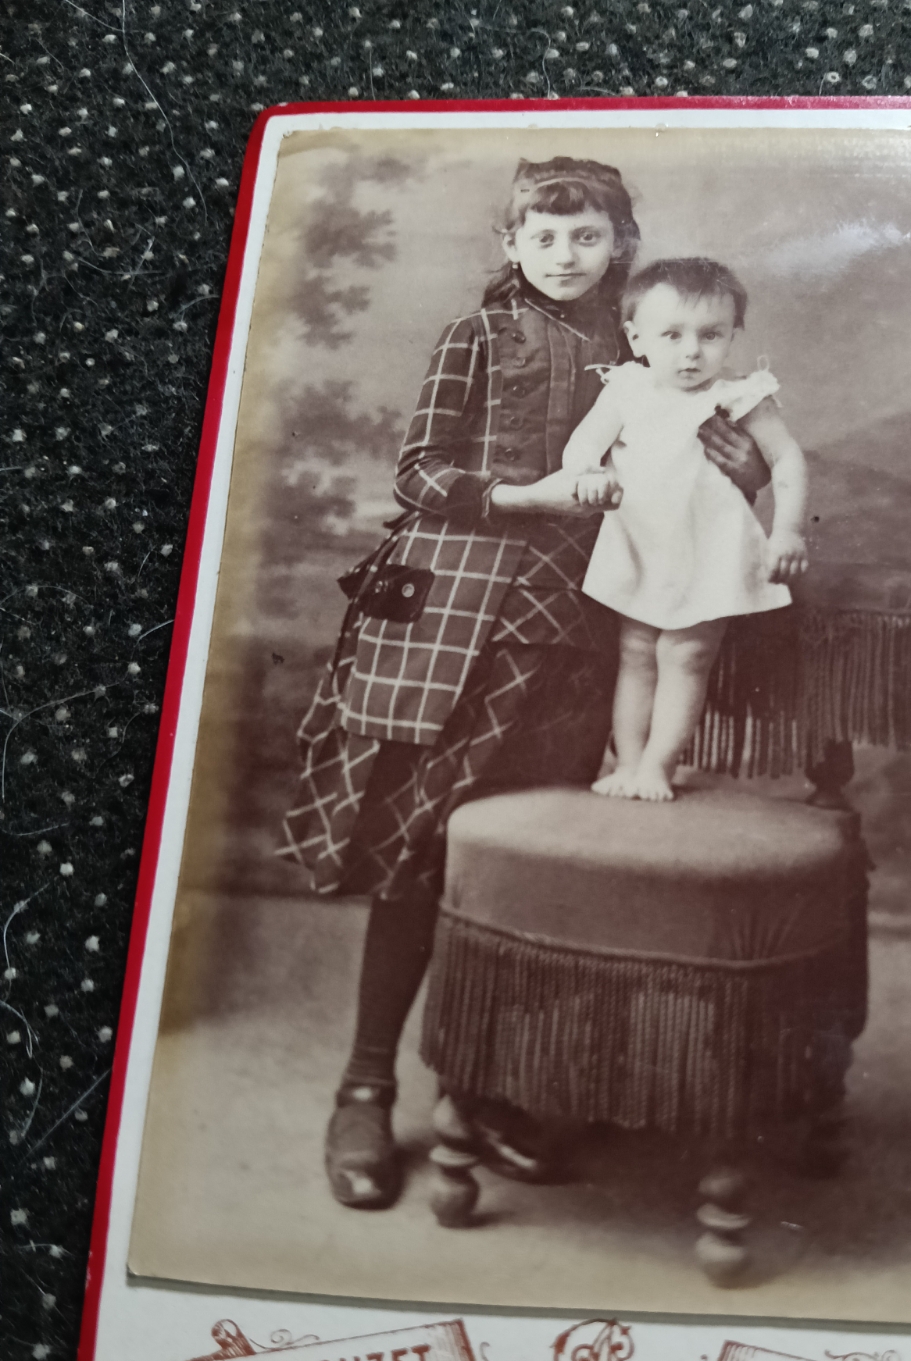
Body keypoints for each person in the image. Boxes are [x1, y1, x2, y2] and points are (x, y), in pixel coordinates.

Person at [278, 158, 771, 1208]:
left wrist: (745, 468)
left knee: (526, 868)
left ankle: (486, 1087)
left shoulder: (650, 337)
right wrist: (526, 491)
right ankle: (366, 1084)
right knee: (421, 853)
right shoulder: (478, 335)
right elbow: (416, 475)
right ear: (511, 245)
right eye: (543, 238)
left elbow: (720, 471)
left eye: (586, 237)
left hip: (588, 630)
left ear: (620, 246)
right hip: (458, 626)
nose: (565, 255)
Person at [563, 257, 809, 801]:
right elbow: (584, 443)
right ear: (636, 337)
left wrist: (788, 530)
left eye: (711, 335)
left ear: (732, 337)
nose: (692, 351)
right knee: (635, 652)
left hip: (709, 546)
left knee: (686, 655)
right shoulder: (626, 387)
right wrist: (587, 472)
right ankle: (626, 762)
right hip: (642, 541)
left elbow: (787, 459)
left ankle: (658, 765)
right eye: (672, 334)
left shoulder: (738, 395)